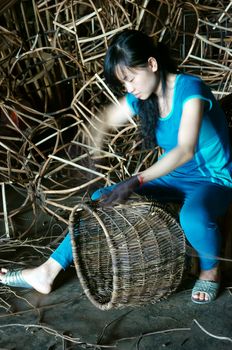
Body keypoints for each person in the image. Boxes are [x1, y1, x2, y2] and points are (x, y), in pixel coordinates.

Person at [1, 30, 232, 304]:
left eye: (131, 78)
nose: (130, 88)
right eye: (124, 84)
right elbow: (105, 119)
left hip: (213, 179)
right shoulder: (144, 97)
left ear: (152, 64)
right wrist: (89, 149)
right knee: (101, 199)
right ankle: (46, 272)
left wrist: (136, 180)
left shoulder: (190, 89)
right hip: (175, 176)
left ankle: (211, 270)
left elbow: (185, 149)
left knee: (193, 217)